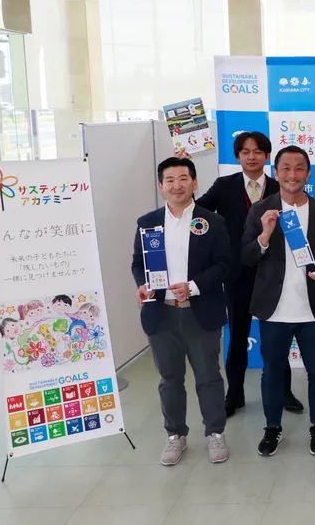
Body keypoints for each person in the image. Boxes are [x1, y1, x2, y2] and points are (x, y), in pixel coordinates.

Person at [192, 131, 304, 417]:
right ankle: (235, 393)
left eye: (257, 151)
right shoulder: (224, 185)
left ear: (267, 156)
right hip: (236, 275)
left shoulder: (281, 185)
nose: (251, 156)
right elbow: (196, 210)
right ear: (237, 156)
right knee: (238, 337)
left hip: (274, 273)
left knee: (277, 337)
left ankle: (285, 391)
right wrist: (186, 175)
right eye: (245, 152)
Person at [131, 156, 232, 466]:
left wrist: (194, 286)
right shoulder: (147, 222)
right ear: (161, 186)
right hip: (161, 314)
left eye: (183, 179)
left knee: (208, 377)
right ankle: (175, 435)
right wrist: (142, 284)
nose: (177, 185)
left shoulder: (212, 222)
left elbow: (225, 265)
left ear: (194, 183)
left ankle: (215, 433)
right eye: (170, 180)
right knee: (170, 379)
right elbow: (138, 264)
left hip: (200, 312)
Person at [242, 145, 315, 457]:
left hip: (311, 309)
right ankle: (272, 428)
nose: (292, 174)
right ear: (276, 172)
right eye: (285, 168)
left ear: (308, 174)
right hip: (274, 310)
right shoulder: (261, 210)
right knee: (271, 373)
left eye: (299, 168)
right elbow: (246, 257)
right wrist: (264, 235)